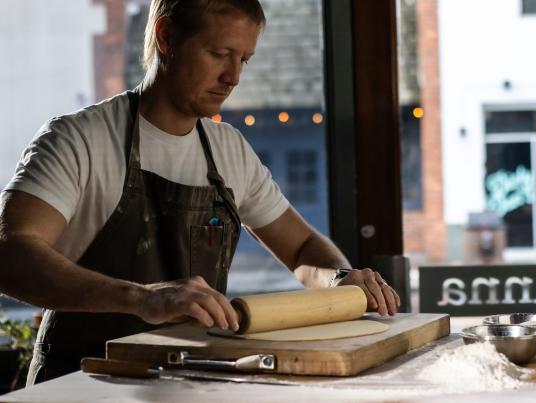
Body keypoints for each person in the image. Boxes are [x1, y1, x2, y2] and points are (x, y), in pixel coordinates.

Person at [0, 0, 400, 385]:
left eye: (243, 59)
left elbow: (302, 248)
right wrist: (142, 298)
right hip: (81, 385)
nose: (233, 77)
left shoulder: (229, 151)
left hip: (192, 383)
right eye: (219, 53)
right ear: (166, 37)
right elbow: (11, 255)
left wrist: (338, 279)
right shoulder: (79, 140)